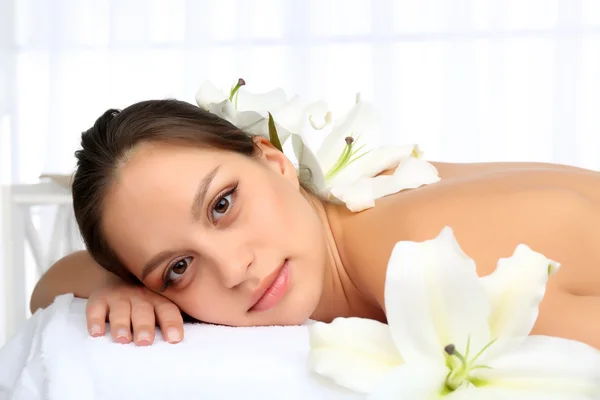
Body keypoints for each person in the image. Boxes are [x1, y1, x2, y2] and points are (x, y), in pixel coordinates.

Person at [30, 99, 600, 349]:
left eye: (223, 205)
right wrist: (115, 286)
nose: (234, 271)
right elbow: (50, 285)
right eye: (179, 268)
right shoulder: (355, 215)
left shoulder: (416, 256)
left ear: (274, 159)